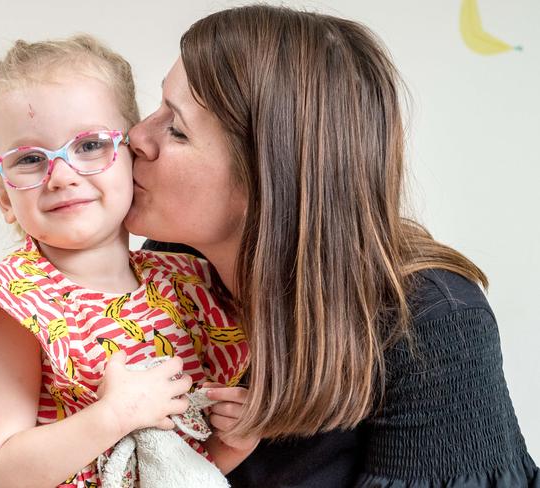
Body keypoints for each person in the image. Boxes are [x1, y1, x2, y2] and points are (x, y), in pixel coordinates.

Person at [124, 5, 539, 487]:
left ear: (268, 177)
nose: (137, 136)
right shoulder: (168, 269)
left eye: (176, 129)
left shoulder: (431, 327)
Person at [0, 35, 253, 487]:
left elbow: (170, 466)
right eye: (30, 158)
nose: (62, 176)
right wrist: (114, 415)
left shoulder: (186, 288)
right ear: (3, 196)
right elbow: (3, 470)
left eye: (89, 146)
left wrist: (234, 444)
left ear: (133, 156)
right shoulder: (14, 306)